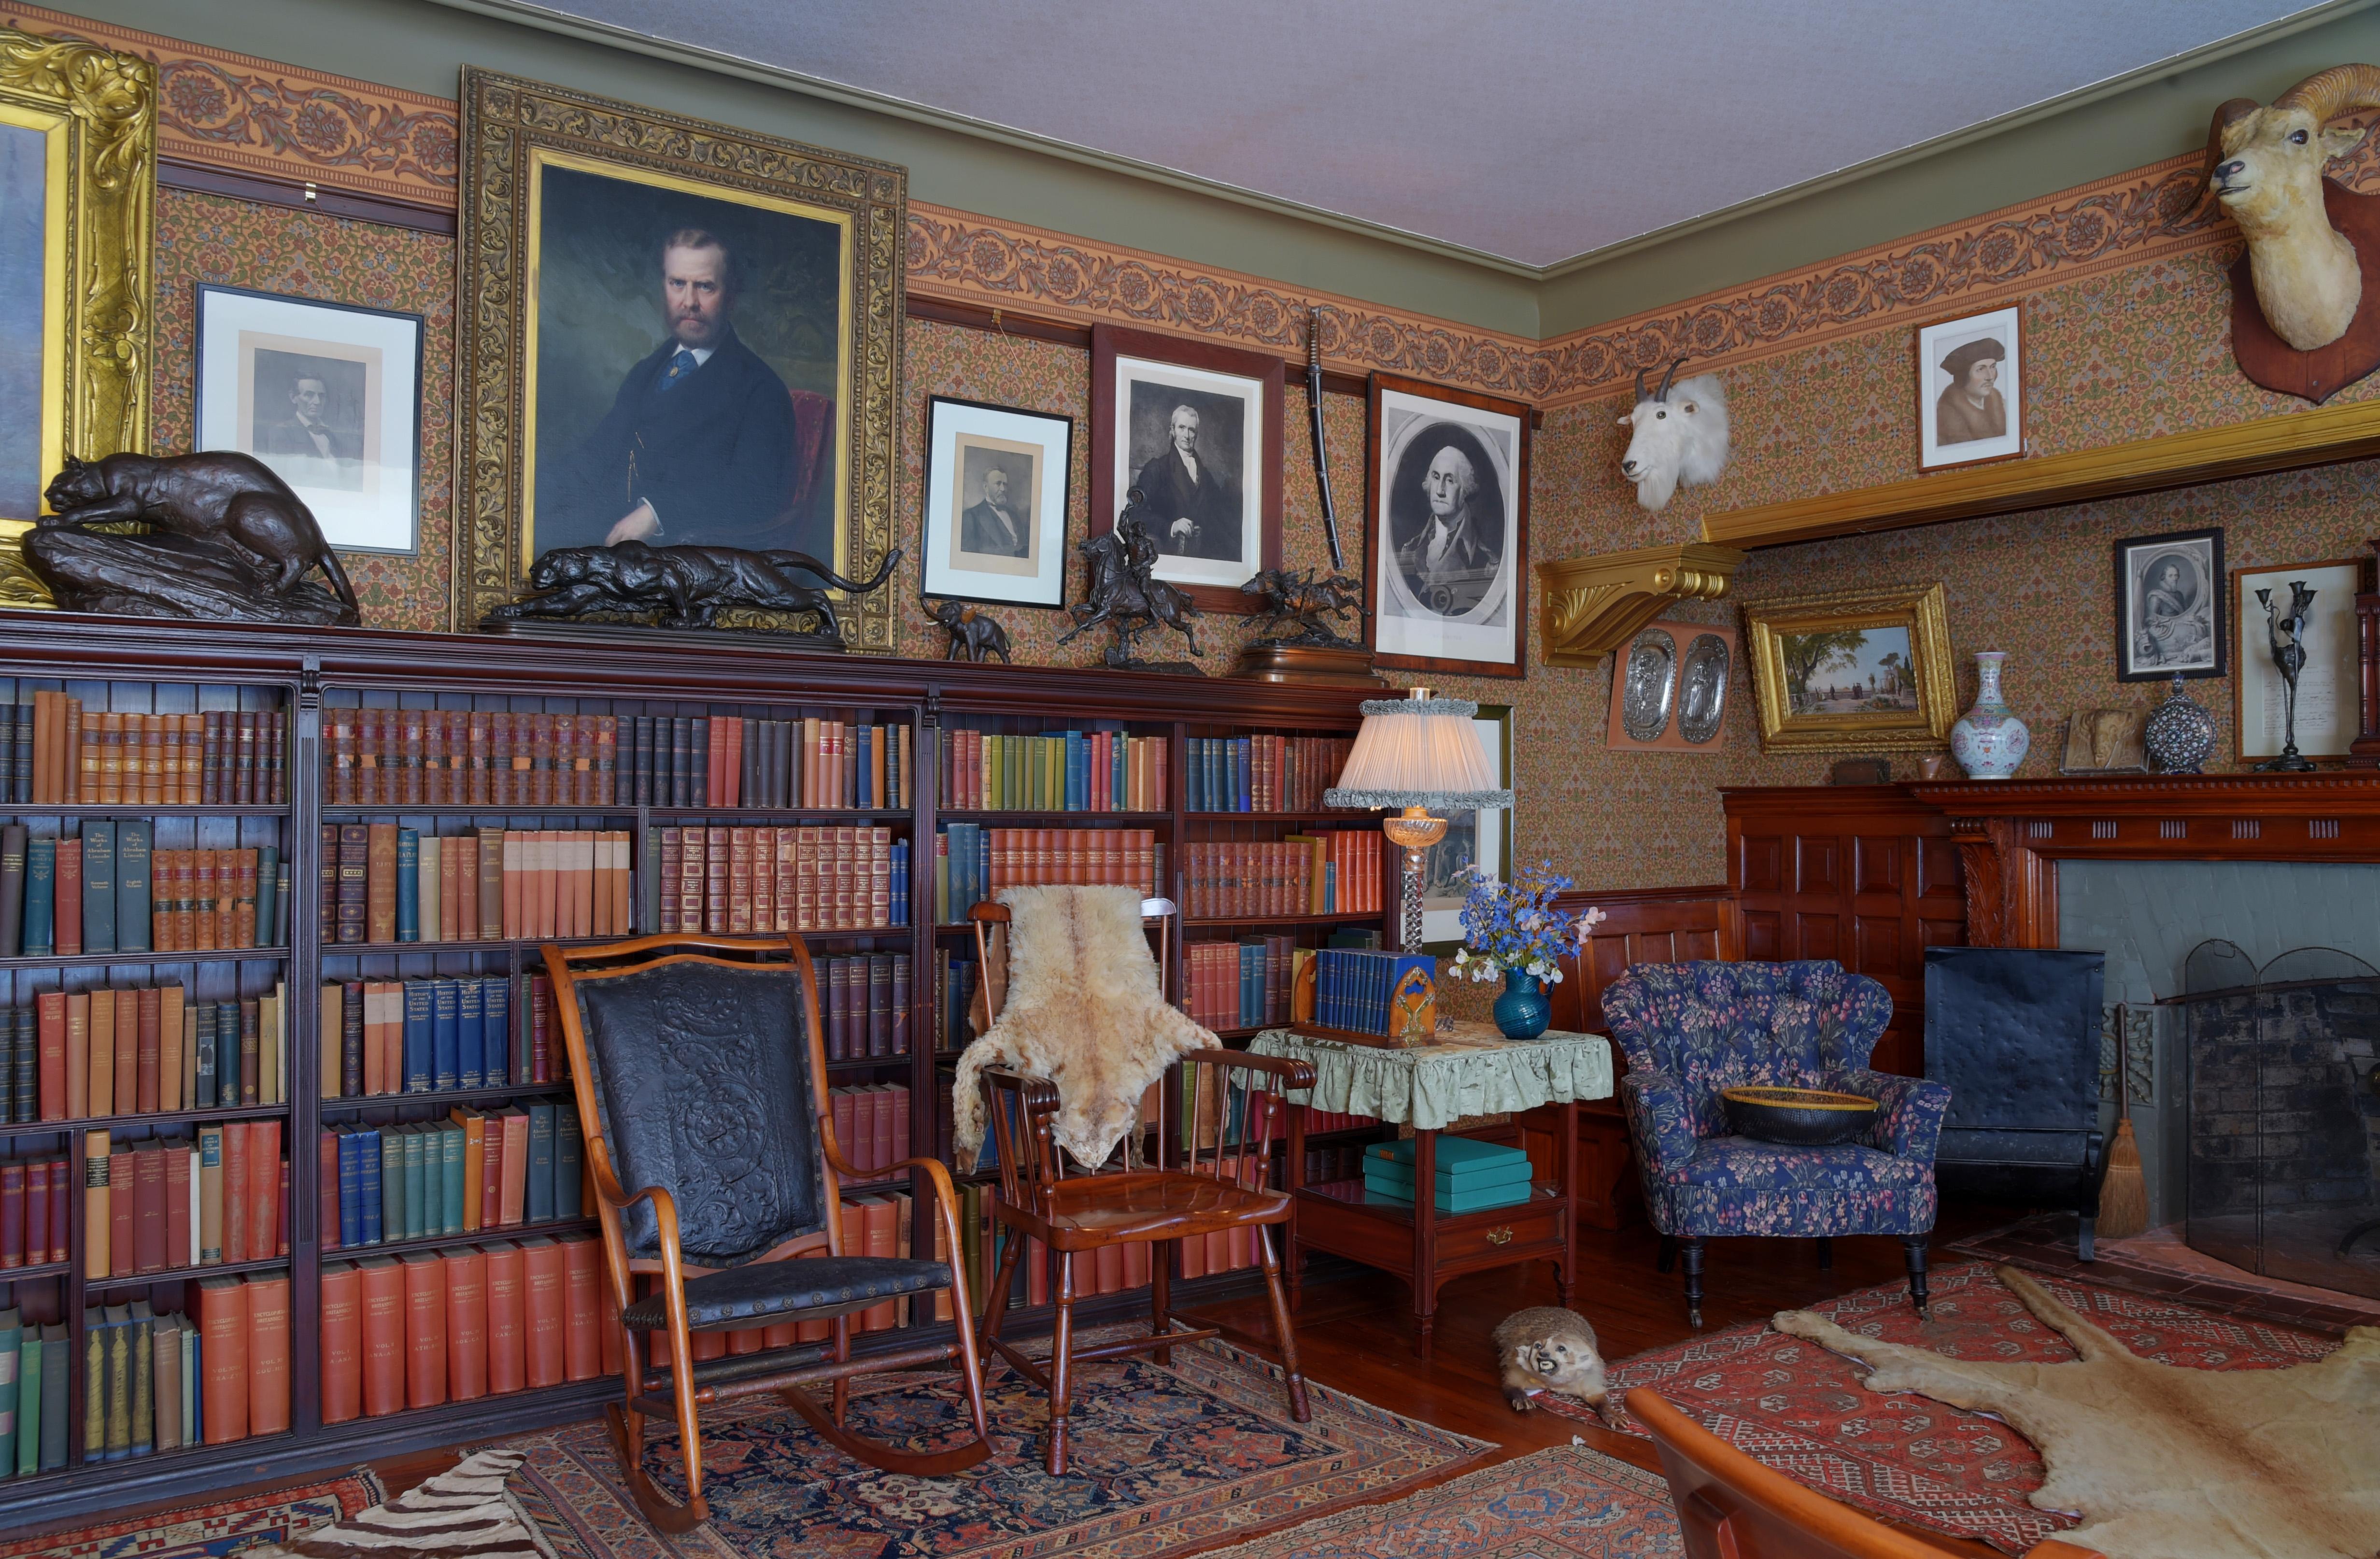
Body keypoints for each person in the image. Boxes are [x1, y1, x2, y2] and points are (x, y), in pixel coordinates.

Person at [538, 227, 798, 552]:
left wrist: (657, 513)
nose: (690, 302)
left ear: (730, 297)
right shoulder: (646, 372)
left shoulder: (760, 389)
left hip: (680, 552)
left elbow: (754, 492)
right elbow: (595, 457)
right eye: (678, 284)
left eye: (705, 287)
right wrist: (531, 492)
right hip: (606, 526)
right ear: (664, 288)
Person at [1395, 443, 1500, 616]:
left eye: (1450, 480)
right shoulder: (1409, 550)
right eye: (1436, 478)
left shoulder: (1488, 563)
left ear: (1465, 490)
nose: (1440, 490)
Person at [1134, 404, 1239, 560]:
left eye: (1192, 430)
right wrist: (1171, 526)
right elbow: (1134, 514)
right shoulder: (1157, 468)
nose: (1187, 436)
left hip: (1204, 557)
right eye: (1182, 428)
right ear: (1173, 431)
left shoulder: (1206, 476)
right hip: (1169, 556)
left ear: (1196, 435)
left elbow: (1221, 516)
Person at [256, 374, 361, 463]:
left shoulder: (331, 436)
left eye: (322, 396)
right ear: (293, 397)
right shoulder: (281, 433)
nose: (318, 402)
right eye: (309, 395)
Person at [2137, 556, 2210, 666]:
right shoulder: (2157, 596)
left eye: (2176, 575)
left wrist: (2190, 619)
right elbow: (2151, 619)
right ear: (2164, 578)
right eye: (2171, 576)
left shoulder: (2179, 594)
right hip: (2165, 626)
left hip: (2181, 624)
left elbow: (2185, 613)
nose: (2174, 578)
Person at [1934, 337, 2006, 445]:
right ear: (1964, 376)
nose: (1990, 376)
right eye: (1981, 369)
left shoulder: (2005, 406)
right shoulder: (1942, 419)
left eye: (1993, 367)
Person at [959, 463, 1028, 558]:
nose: (1003, 489)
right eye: (998, 484)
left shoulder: (1015, 516)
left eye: (1005, 484)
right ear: (986, 487)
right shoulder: (970, 517)